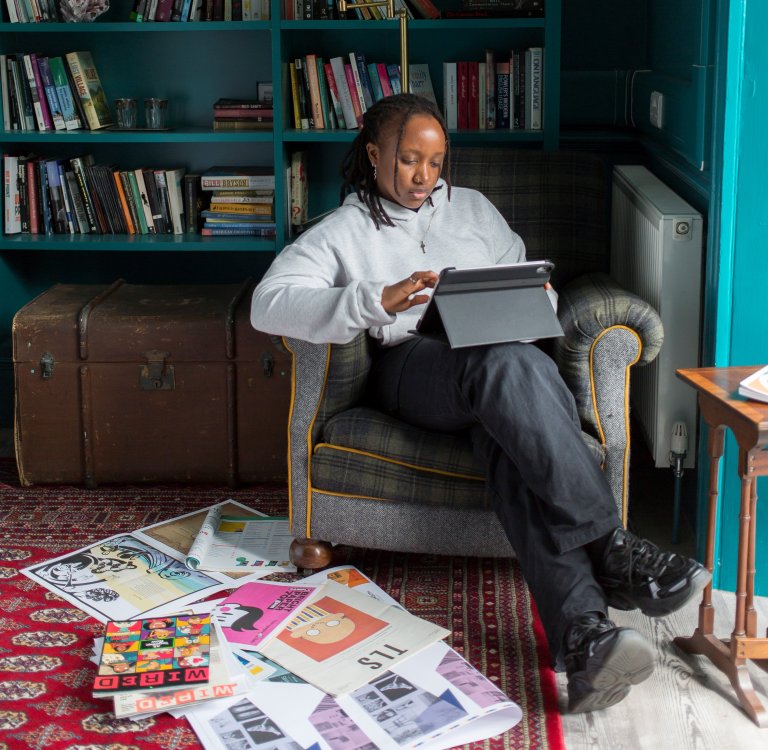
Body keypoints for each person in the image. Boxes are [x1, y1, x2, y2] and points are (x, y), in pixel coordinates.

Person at [250, 93, 710, 713]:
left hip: (503, 368)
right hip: (413, 368)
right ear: (374, 152)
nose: (423, 177)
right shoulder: (344, 229)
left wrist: (534, 298)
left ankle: (586, 640)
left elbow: (531, 291)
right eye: (409, 159)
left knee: (509, 429)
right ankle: (611, 546)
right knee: (508, 363)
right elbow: (268, 302)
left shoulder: (474, 210)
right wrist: (375, 299)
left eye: (436, 163)